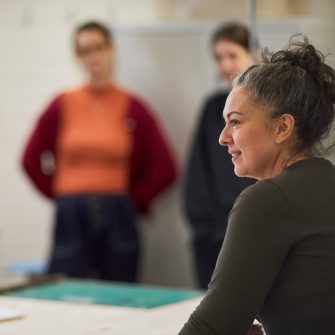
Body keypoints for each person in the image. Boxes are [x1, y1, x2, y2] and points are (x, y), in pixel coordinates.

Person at [179, 36, 335, 334]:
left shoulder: (268, 200)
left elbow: (212, 327)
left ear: (282, 127)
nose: (223, 138)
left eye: (235, 122)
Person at [21, 21, 177, 282]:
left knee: (120, 293)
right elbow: (30, 160)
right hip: (71, 215)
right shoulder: (61, 105)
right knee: (65, 292)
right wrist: (61, 195)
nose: (92, 57)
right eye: (84, 51)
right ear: (77, 57)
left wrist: (130, 201)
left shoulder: (133, 107)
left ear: (111, 50)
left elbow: (166, 168)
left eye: (97, 48)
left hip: (118, 214)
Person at [184, 23, 255, 288]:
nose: (225, 65)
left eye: (232, 55)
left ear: (253, 53)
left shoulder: (267, 109)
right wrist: (206, 226)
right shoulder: (212, 106)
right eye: (218, 57)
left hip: (253, 229)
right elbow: (197, 174)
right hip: (214, 232)